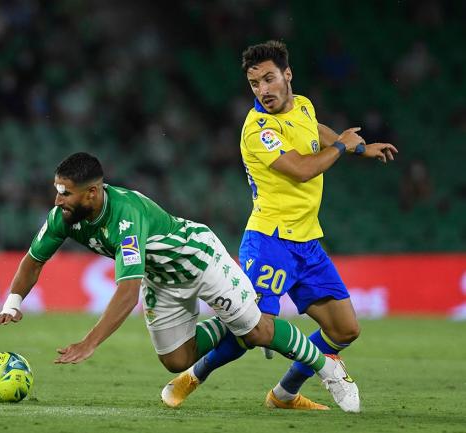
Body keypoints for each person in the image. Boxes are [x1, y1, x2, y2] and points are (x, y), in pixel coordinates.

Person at [0, 152, 360, 412]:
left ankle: (329, 369)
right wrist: (12, 303)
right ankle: (232, 321)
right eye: (57, 188)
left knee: (260, 331)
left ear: (93, 192)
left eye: (66, 191)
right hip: (162, 280)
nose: (58, 198)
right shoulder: (62, 217)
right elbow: (34, 260)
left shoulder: (126, 217)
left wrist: (90, 343)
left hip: (199, 260)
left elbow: (127, 291)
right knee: (176, 360)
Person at [167, 40, 397, 410]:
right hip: (269, 240)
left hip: (307, 241)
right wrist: (342, 149)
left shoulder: (303, 103)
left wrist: (357, 147)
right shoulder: (258, 129)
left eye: (269, 79)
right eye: (255, 84)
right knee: (254, 332)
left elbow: (314, 129)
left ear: (287, 75)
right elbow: (304, 170)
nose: (263, 90)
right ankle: (191, 376)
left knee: (344, 330)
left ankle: (284, 393)